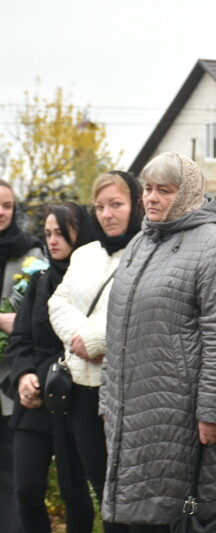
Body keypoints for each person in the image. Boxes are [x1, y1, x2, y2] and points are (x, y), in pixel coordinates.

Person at [100, 153, 216, 530]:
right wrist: (106, 399)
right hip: (130, 408)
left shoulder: (215, 243)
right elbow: (118, 329)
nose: (151, 198)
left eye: (164, 190)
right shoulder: (139, 243)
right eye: (147, 189)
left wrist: (212, 411)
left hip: (180, 411)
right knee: (133, 513)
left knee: (174, 514)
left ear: (187, 193)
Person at [48, 171, 143, 533]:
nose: (107, 214)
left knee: (130, 493)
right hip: (83, 387)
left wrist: (96, 340)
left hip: (123, 391)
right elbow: (58, 303)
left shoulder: (145, 250)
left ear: (134, 204)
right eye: (100, 207)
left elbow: (138, 308)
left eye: (116, 204)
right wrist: (80, 338)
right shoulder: (85, 254)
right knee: (101, 488)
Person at [7, 203, 98, 532]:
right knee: (26, 490)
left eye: (61, 232)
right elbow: (21, 339)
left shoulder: (92, 282)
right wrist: (23, 375)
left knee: (75, 493)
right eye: (47, 233)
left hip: (75, 397)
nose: (52, 240)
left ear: (81, 232)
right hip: (34, 398)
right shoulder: (40, 281)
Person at [0, 179, 44, 533]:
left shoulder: (30, 253)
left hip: (10, 383)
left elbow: (38, 317)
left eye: (8, 205)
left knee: (13, 474)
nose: (1, 212)